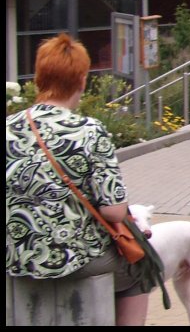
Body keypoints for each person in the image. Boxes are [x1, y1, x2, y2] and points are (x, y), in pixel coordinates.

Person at [6, 33, 150, 326]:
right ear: (82, 80)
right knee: (141, 266)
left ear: (38, 78)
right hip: (74, 258)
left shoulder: (8, 127)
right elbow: (114, 211)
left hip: (16, 255)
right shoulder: (89, 130)